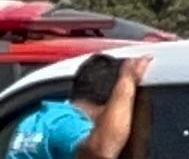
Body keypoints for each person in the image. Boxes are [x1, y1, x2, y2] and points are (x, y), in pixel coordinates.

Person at [10, 54, 147, 159]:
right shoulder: (65, 124)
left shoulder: (37, 120)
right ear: (111, 105)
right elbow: (102, 152)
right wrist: (127, 80)